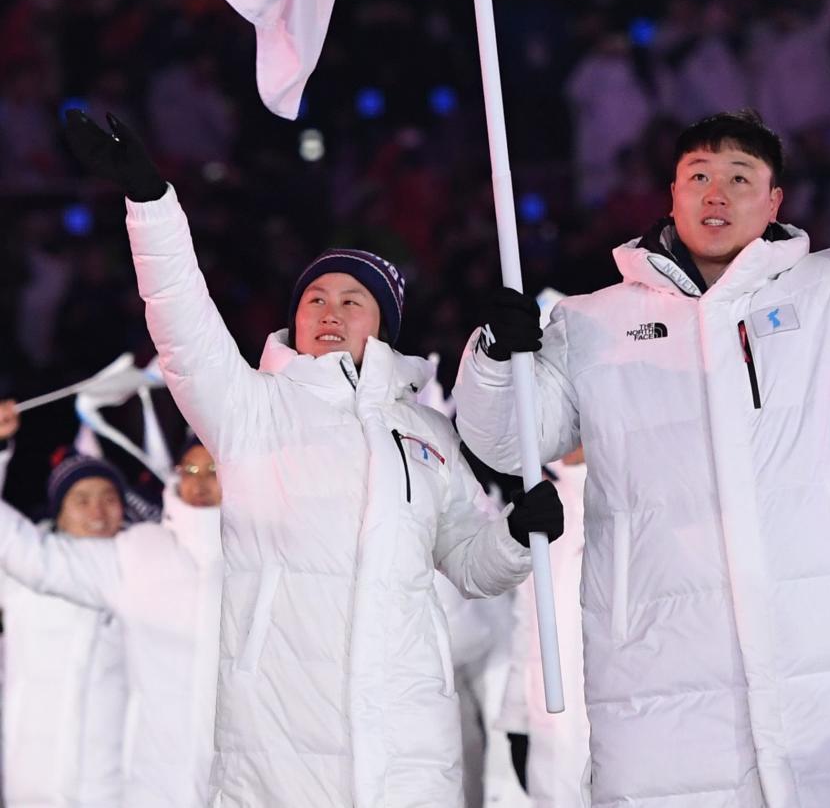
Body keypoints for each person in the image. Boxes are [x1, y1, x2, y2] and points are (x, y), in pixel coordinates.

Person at [455, 14, 830, 806]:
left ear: (774, 200)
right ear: (670, 193)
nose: (717, 192)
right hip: (660, 685)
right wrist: (496, 354)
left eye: (740, 176)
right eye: (699, 175)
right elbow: (504, 439)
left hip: (815, 678)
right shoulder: (595, 322)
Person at [62, 109, 562, 808]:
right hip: (282, 742)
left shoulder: (424, 431)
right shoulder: (250, 407)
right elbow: (181, 322)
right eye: (316, 297)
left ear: (384, 325)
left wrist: (514, 535)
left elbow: (467, 564)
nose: (330, 309)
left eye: (352, 299)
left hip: (408, 748)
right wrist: (150, 203)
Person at [0, 404, 223, 808]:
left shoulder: (263, 560)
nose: (200, 485)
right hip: (39, 786)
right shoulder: (137, 557)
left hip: (120, 791)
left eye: (214, 472)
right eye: (188, 471)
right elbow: (22, 549)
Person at [0, 429, 126, 808]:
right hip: (30, 778)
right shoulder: (21, 570)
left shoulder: (144, 566)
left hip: (110, 786)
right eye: (82, 500)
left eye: (109, 499)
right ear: (59, 509)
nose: (98, 513)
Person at [501, 449, 590, 808]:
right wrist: (517, 718)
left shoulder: (633, 495)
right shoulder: (545, 506)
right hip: (555, 736)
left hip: (628, 730)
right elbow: (527, 623)